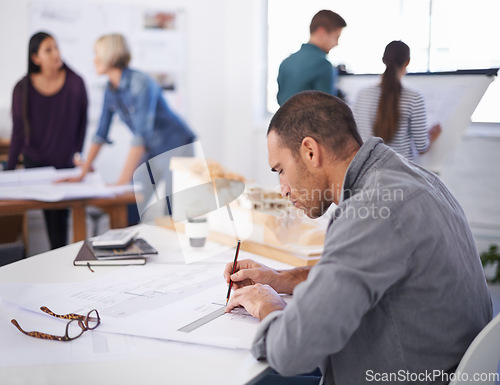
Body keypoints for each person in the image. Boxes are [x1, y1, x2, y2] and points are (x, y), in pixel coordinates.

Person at [224, 91, 492, 385]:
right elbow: (375, 273)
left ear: (310, 152)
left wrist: (267, 305)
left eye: (281, 170)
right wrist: (281, 278)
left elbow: (291, 353)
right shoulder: (415, 179)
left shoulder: (370, 211)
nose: (283, 189)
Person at [67, 34, 196, 224]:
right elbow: (100, 133)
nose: (94, 59)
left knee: (174, 212)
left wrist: (121, 183)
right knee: (131, 202)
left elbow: (140, 138)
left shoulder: (141, 83)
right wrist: (83, 172)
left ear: (110, 56)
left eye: (97, 54)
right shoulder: (111, 90)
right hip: (153, 149)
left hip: (177, 146)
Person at [7, 31, 88, 249]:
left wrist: (78, 154)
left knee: (60, 223)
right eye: (48, 50)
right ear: (36, 58)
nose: (56, 53)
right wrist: (9, 172)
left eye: (56, 47)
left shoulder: (75, 83)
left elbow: (82, 124)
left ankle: (62, 263)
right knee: (46, 217)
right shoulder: (22, 88)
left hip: (64, 164)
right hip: (36, 164)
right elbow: (18, 133)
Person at [353, 40, 442, 162]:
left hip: (367, 173)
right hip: (402, 174)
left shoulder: (362, 95)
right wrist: (432, 136)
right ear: (407, 62)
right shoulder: (414, 98)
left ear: (383, 60)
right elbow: (421, 148)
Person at [277, 10, 346, 106]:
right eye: (336, 37)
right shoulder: (323, 65)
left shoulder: (286, 62)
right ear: (321, 32)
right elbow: (327, 110)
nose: (336, 43)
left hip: (284, 120)